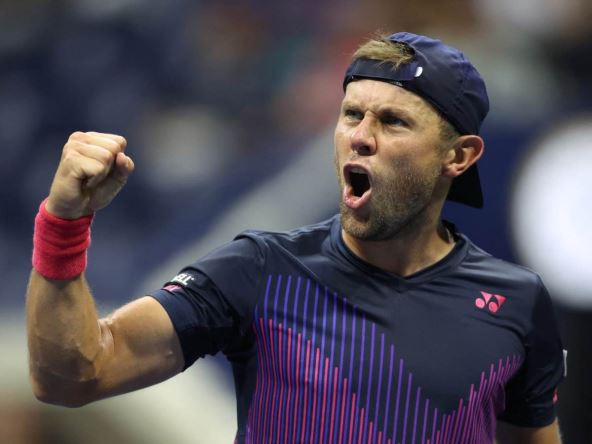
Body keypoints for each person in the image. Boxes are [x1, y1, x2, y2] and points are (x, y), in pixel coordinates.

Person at [27, 32, 565, 444]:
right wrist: (64, 223)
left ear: (459, 156)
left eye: (393, 122)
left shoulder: (516, 303)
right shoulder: (259, 270)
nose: (360, 137)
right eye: (351, 114)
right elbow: (73, 377)